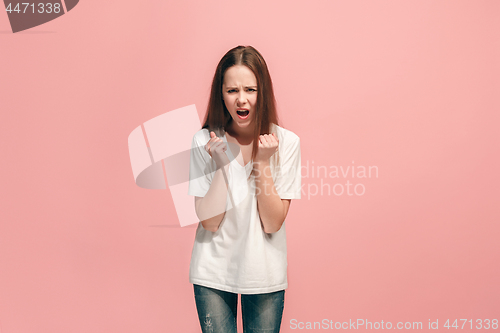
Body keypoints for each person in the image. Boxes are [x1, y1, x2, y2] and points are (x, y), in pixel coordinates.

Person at [187, 45, 301, 333]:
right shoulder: (205, 142)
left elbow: (273, 222)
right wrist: (223, 165)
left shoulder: (286, 143)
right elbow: (209, 222)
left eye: (250, 89)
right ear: (220, 94)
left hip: (264, 275)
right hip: (212, 273)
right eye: (232, 90)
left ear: (262, 92)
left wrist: (262, 163)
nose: (241, 99)